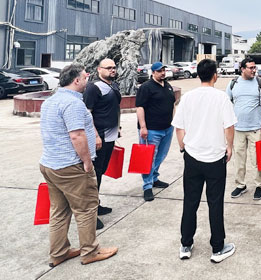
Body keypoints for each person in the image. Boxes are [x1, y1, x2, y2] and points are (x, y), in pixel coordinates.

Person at [39, 63, 118, 267]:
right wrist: (87, 162)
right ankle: (90, 251)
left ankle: (59, 253)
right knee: (86, 209)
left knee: (59, 211)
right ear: (76, 80)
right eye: (85, 77)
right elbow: (76, 135)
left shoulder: (50, 101)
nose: (87, 80)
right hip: (71, 166)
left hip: (51, 164)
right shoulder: (72, 103)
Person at [172, 59, 238, 263]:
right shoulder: (221, 98)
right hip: (215, 158)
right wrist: (229, 147)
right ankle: (217, 248)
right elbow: (229, 126)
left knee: (190, 201)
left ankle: (185, 244)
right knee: (215, 203)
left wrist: (183, 147)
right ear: (215, 75)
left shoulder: (188, 97)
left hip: (192, 156)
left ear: (198, 75)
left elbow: (179, 127)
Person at [83, 58, 122, 230]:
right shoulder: (93, 88)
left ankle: (96, 205)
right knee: (94, 175)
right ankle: (90, 214)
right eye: (108, 68)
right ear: (99, 69)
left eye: (114, 67)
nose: (112, 70)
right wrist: (96, 136)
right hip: (99, 138)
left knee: (101, 172)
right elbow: (87, 114)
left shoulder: (113, 86)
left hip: (110, 137)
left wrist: (118, 127)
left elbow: (114, 108)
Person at [226, 57, 261, 201]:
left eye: (254, 67)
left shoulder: (260, 83)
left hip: (256, 128)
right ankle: (240, 185)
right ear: (242, 69)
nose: (254, 70)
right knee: (239, 160)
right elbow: (227, 104)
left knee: (258, 160)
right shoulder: (233, 83)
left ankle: (259, 186)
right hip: (238, 128)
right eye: (251, 68)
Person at [136, 61, 176, 202]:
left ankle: (154, 177)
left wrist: (173, 121)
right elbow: (140, 107)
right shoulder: (146, 87)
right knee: (148, 158)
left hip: (167, 128)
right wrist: (143, 127)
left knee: (161, 155)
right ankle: (147, 186)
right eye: (159, 71)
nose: (163, 73)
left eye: (164, 70)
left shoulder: (168, 86)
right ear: (153, 72)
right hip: (151, 130)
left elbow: (172, 104)